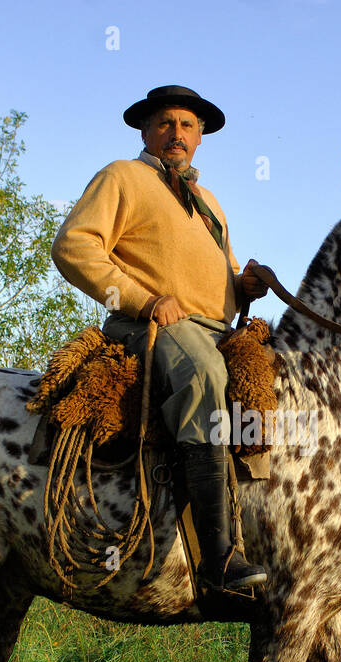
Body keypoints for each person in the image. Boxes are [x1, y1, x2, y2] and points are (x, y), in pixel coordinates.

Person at [51, 85, 268, 594]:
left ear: (200, 138)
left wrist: (243, 285)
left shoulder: (207, 200)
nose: (177, 133)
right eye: (166, 123)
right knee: (204, 375)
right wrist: (144, 300)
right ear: (146, 131)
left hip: (212, 326)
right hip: (146, 325)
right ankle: (218, 560)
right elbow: (73, 246)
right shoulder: (121, 176)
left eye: (187, 125)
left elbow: (224, 273)